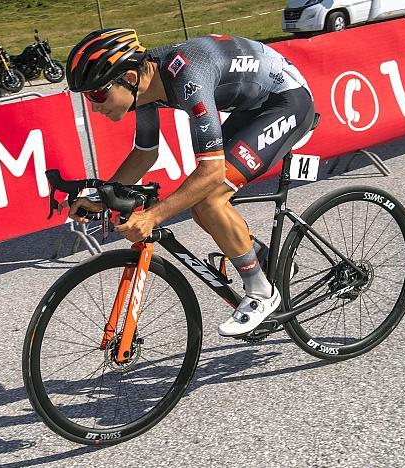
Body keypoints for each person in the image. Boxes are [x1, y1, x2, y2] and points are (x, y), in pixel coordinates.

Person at [64, 28, 315, 337]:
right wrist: (102, 197)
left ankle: (262, 293)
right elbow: (145, 153)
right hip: (253, 105)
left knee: (209, 198)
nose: (95, 106)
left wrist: (153, 215)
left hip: (288, 101)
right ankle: (264, 258)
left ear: (129, 78)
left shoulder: (188, 77)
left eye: (98, 94)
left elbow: (211, 171)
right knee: (200, 204)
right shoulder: (145, 84)